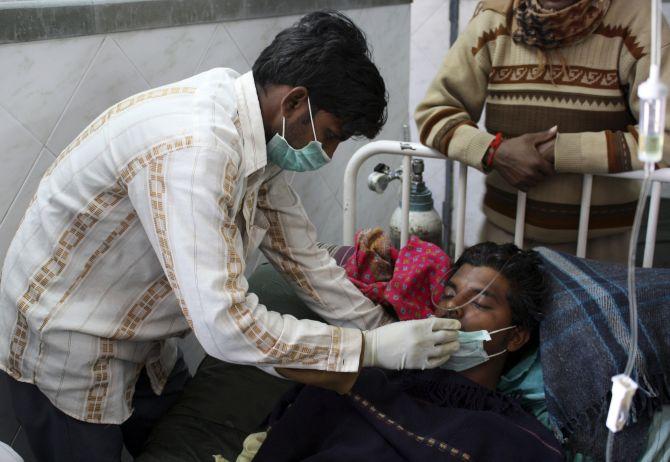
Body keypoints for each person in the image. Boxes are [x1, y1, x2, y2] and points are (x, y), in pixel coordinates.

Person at [0, 11, 460, 461]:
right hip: (68, 339)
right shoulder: (196, 150)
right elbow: (225, 326)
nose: (330, 153)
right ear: (295, 101)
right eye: (333, 135)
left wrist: (382, 329)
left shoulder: (253, 129)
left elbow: (303, 256)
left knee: (177, 432)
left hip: (142, 330)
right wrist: (368, 349)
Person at [247, 242, 564, 461]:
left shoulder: (515, 434)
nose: (452, 308)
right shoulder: (372, 375)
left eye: (480, 303)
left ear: (516, 338)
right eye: (449, 294)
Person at [415, 0, 670, 263]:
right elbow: (435, 113)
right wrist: (494, 151)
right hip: (504, 238)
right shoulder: (495, 13)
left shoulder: (640, 18)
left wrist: (558, 151)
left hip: (600, 248)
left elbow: (664, 139)